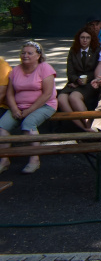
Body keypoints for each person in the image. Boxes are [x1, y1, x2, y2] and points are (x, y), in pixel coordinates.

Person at [0, 42, 57, 174]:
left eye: (29, 53)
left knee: (28, 124)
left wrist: (28, 111)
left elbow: (47, 94)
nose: (25, 55)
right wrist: (14, 109)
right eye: (23, 53)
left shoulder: (45, 68)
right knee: (1, 128)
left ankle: (34, 159)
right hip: (19, 107)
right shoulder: (15, 70)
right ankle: (4, 160)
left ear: (38, 55)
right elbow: (9, 93)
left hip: (44, 105)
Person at [56, 29, 101, 131]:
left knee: (74, 97)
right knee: (62, 99)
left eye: (87, 38)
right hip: (74, 82)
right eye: (82, 37)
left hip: (90, 83)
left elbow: (97, 70)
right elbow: (70, 72)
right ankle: (82, 128)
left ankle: (88, 125)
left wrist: (84, 80)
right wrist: (77, 80)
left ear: (91, 39)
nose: (84, 40)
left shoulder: (97, 50)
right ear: (78, 39)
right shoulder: (73, 50)